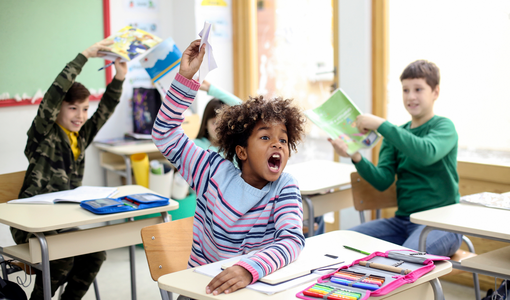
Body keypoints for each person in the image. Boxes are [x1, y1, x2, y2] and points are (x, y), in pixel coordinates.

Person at [152, 39, 306, 297]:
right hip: (203, 290)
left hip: (254, 289)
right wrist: (185, 78)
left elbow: (291, 241)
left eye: (283, 139)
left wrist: (248, 269)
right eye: (265, 138)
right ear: (241, 151)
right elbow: (165, 134)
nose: (277, 145)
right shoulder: (211, 172)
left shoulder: (285, 186)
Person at [10, 39, 127, 300]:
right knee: (62, 257)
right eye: (72, 108)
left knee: (96, 253)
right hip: (30, 223)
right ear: (58, 109)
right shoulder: (44, 134)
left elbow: (105, 109)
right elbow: (53, 94)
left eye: (84, 109)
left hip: (61, 221)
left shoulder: (80, 136)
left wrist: (119, 76)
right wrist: (84, 56)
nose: (80, 115)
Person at [329, 60, 462, 257]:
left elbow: (426, 153)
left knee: (407, 259)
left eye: (418, 89)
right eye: (405, 90)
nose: (411, 96)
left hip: (442, 224)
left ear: (435, 92)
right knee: (340, 243)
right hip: (402, 223)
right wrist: (356, 156)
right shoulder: (395, 134)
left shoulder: (444, 127)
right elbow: (382, 181)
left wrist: (381, 125)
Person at [194, 80, 242, 152]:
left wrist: (211, 89)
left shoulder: (233, 148)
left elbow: (244, 109)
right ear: (206, 124)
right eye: (214, 123)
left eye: (223, 123)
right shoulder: (196, 145)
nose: (218, 128)